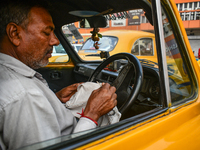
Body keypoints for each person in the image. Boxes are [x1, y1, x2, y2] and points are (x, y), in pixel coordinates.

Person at [0, 0, 117, 149]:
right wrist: (92, 114)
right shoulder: (26, 96)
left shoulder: (8, 75)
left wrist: (52, 101)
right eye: (47, 32)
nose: (55, 41)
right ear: (15, 34)